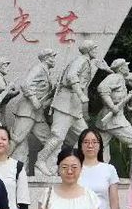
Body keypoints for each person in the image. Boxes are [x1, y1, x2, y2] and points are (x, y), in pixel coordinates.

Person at [34, 40, 110, 176]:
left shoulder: (87, 62)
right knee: (58, 136)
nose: (96, 51)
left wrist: (105, 69)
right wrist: (80, 94)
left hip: (74, 108)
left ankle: (72, 162)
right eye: (94, 48)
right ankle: (41, 160)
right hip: (65, 105)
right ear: (88, 50)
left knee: (86, 136)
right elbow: (71, 76)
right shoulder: (80, 60)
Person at [95, 58, 132, 177]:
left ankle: (100, 173)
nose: (128, 68)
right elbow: (102, 88)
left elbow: (129, 106)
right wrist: (112, 106)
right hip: (114, 119)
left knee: (102, 146)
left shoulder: (120, 78)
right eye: (126, 66)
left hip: (112, 118)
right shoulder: (116, 78)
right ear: (121, 68)